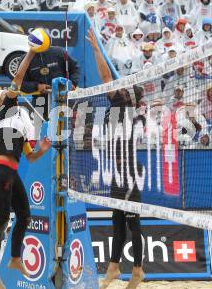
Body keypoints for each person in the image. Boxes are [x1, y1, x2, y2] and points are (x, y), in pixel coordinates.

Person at [0, 49, 52, 288]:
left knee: (24, 215)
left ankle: (14, 257)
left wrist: (43, 149)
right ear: (2, 102)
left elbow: (31, 158)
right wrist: (32, 53)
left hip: (9, 172)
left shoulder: (19, 127)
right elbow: (19, 77)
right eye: (4, 93)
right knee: (1, 221)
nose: (7, 92)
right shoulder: (6, 109)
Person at [86, 29, 144, 289]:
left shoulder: (124, 105)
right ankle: (113, 267)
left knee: (133, 225)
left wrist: (97, 49)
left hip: (129, 172)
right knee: (118, 222)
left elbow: (106, 76)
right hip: (119, 172)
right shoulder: (121, 108)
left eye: (126, 86)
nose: (121, 86)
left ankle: (138, 271)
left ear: (130, 96)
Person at [20, 42, 79, 120]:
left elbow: (75, 68)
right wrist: (36, 86)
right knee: (43, 130)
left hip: (63, 100)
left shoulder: (59, 52)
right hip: (40, 104)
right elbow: (20, 84)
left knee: (63, 128)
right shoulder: (25, 60)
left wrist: (72, 83)